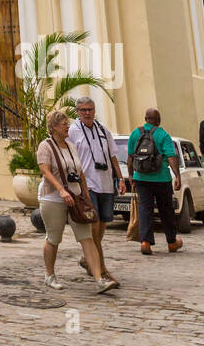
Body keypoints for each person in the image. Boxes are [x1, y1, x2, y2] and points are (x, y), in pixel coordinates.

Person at [38, 110, 116, 293]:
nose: (68, 127)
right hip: (53, 198)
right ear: (54, 127)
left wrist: (86, 196)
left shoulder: (71, 146)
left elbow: (80, 173)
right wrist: (61, 189)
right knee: (53, 238)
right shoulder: (46, 146)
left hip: (76, 198)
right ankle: (49, 275)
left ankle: (99, 279)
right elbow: (46, 171)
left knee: (86, 237)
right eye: (64, 124)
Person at [67, 97, 125, 282]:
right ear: (77, 111)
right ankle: (101, 269)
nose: (87, 113)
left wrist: (120, 179)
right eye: (83, 110)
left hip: (106, 183)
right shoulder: (73, 131)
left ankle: (88, 259)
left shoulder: (102, 129)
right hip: (88, 185)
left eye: (90, 109)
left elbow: (113, 155)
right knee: (94, 226)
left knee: (103, 226)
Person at [127, 108, 182, 254]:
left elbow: (130, 157)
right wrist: (177, 176)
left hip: (141, 178)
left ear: (145, 119)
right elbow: (171, 156)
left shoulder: (135, 133)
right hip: (162, 178)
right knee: (166, 210)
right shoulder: (163, 134)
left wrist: (131, 176)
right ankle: (172, 242)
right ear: (158, 120)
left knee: (145, 209)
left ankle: (145, 242)